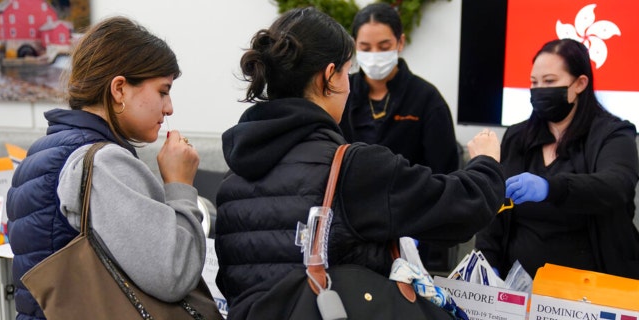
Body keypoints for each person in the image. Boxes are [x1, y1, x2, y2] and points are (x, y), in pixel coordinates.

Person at [214, 7, 505, 319]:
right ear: (329, 76)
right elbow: (464, 205)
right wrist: (486, 162)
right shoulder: (353, 167)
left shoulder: (233, 180)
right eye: (347, 70)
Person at [7, 17, 217, 319]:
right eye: (162, 91)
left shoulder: (44, 151)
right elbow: (174, 274)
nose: (169, 107)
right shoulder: (103, 164)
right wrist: (180, 184)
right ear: (119, 89)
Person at [475, 38, 639, 280]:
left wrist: (551, 188)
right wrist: (487, 265)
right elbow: (495, 209)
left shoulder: (613, 133)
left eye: (550, 81)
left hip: (593, 290)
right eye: (534, 82)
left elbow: (616, 186)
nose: (540, 89)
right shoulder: (518, 136)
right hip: (518, 289)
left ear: (580, 83)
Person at [339, 3, 461, 270]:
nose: (374, 55)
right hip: (349, 230)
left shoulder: (426, 100)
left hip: (410, 232)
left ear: (400, 42)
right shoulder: (341, 95)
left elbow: (445, 174)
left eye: (384, 47)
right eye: (365, 47)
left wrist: (420, 230)